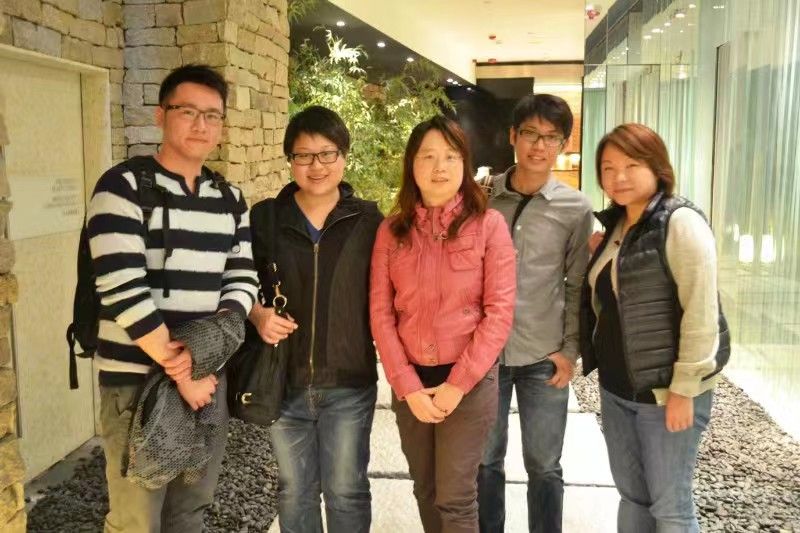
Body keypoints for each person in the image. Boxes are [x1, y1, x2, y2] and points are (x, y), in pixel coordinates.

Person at [87, 64, 258, 531]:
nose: (201, 125)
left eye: (212, 115)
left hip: (206, 383)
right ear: (161, 115)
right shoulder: (122, 187)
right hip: (135, 380)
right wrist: (182, 370)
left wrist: (199, 367)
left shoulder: (230, 199)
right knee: (137, 519)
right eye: (188, 111)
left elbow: (242, 281)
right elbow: (123, 288)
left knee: (189, 511)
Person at [580, 123, 730, 532]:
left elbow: (701, 313)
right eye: (608, 168)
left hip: (665, 393)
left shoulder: (680, 222)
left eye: (631, 165)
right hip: (616, 389)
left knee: (670, 506)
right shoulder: (616, 226)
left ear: (657, 166)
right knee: (633, 496)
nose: (619, 177)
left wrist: (684, 389)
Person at [370, 115, 516, 533]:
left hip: (468, 382)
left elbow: (500, 312)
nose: (440, 167)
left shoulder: (488, 226)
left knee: (455, 497)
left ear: (464, 163)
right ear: (411, 165)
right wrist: (406, 385)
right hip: (411, 381)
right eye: (428, 157)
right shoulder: (391, 231)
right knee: (425, 488)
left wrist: (458, 383)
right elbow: (381, 313)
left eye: (451, 156)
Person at [248, 105, 383, 533]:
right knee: (295, 491)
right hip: (283, 380)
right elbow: (236, 281)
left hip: (349, 382)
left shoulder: (369, 221)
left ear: (344, 156)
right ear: (290, 160)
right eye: (304, 155)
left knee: (347, 490)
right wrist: (256, 314)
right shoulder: (265, 218)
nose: (316, 166)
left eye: (327, 153)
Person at [477, 93, 593, 533]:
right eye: (530, 134)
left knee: (544, 465)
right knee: (484, 461)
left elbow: (576, 283)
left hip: (543, 355)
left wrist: (570, 350)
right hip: (484, 356)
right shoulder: (481, 197)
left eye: (551, 137)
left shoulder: (575, 208)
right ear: (513, 136)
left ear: (562, 144)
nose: (539, 146)